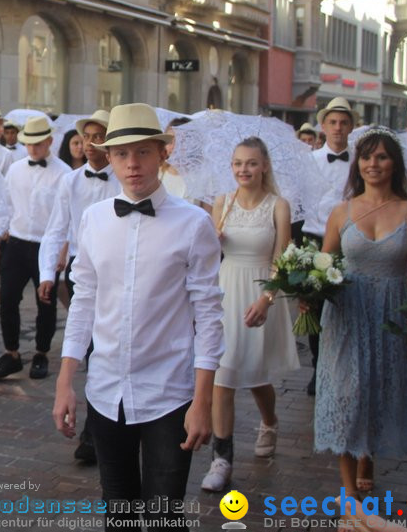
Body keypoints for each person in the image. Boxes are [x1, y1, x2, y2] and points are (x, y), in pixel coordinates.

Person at [53, 103, 223, 529]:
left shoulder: (194, 224)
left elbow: (209, 316)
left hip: (170, 391)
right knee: (119, 513)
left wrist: (203, 401)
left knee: (165, 517)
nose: (133, 164)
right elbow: (84, 300)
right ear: (108, 157)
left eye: (143, 152)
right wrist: (64, 380)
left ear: (162, 154)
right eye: (122, 153)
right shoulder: (93, 220)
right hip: (106, 389)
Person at [313, 127, 407, 498]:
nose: (373, 164)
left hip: (391, 310)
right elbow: (325, 263)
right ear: (358, 164)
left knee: (379, 389)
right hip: (346, 314)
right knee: (346, 393)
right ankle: (350, 494)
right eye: (367, 157)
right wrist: (308, 292)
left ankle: (367, 454)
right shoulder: (341, 212)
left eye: (382, 157)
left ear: (394, 164)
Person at [199, 137, 298, 492]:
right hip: (226, 289)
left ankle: (269, 421)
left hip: (260, 290)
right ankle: (221, 459)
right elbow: (208, 257)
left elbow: (281, 260)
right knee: (222, 374)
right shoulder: (222, 204)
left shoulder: (278, 206)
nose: (244, 169)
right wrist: (214, 237)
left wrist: (267, 299)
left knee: (256, 375)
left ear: (265, 166)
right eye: (238, 163)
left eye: (251, 163)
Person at [36, 110, 120, 463]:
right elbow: (56, 229)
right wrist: (46, 274)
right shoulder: (70, 182)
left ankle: (105, 427)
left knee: (109, 346)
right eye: (86, 136)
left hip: (117, 272)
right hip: (81, 273)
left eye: (98, 136)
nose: (90, 143)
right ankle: (94, 430)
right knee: (86, 346)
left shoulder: (122, 181)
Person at [0, 114, 71, 381]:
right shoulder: (15, 169)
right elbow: (5, 207)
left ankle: (41, 353)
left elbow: (68, 218)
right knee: (9, 298)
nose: (32, 148)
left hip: (47, 244)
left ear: (49, 141)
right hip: (18, 242)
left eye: (38, 143)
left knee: (45, 302)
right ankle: (11, 353)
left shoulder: (64, 174)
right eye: (28, 144)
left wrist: (62, 250)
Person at [301, 96, 357, 396]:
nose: (337, 128)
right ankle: (317, 365)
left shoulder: (360, 163)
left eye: (343, 122)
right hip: (314, 237)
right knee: (314, 304)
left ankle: (344, 366)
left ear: (351, 126)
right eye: (333, 122)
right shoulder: (309, 161)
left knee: (346, 303)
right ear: (323, 125)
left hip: (349, 238)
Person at [158, 117, 191, 199]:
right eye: (170, 142)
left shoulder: (201, 179)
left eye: (181, 141)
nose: (175, 147)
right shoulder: (155, 175)